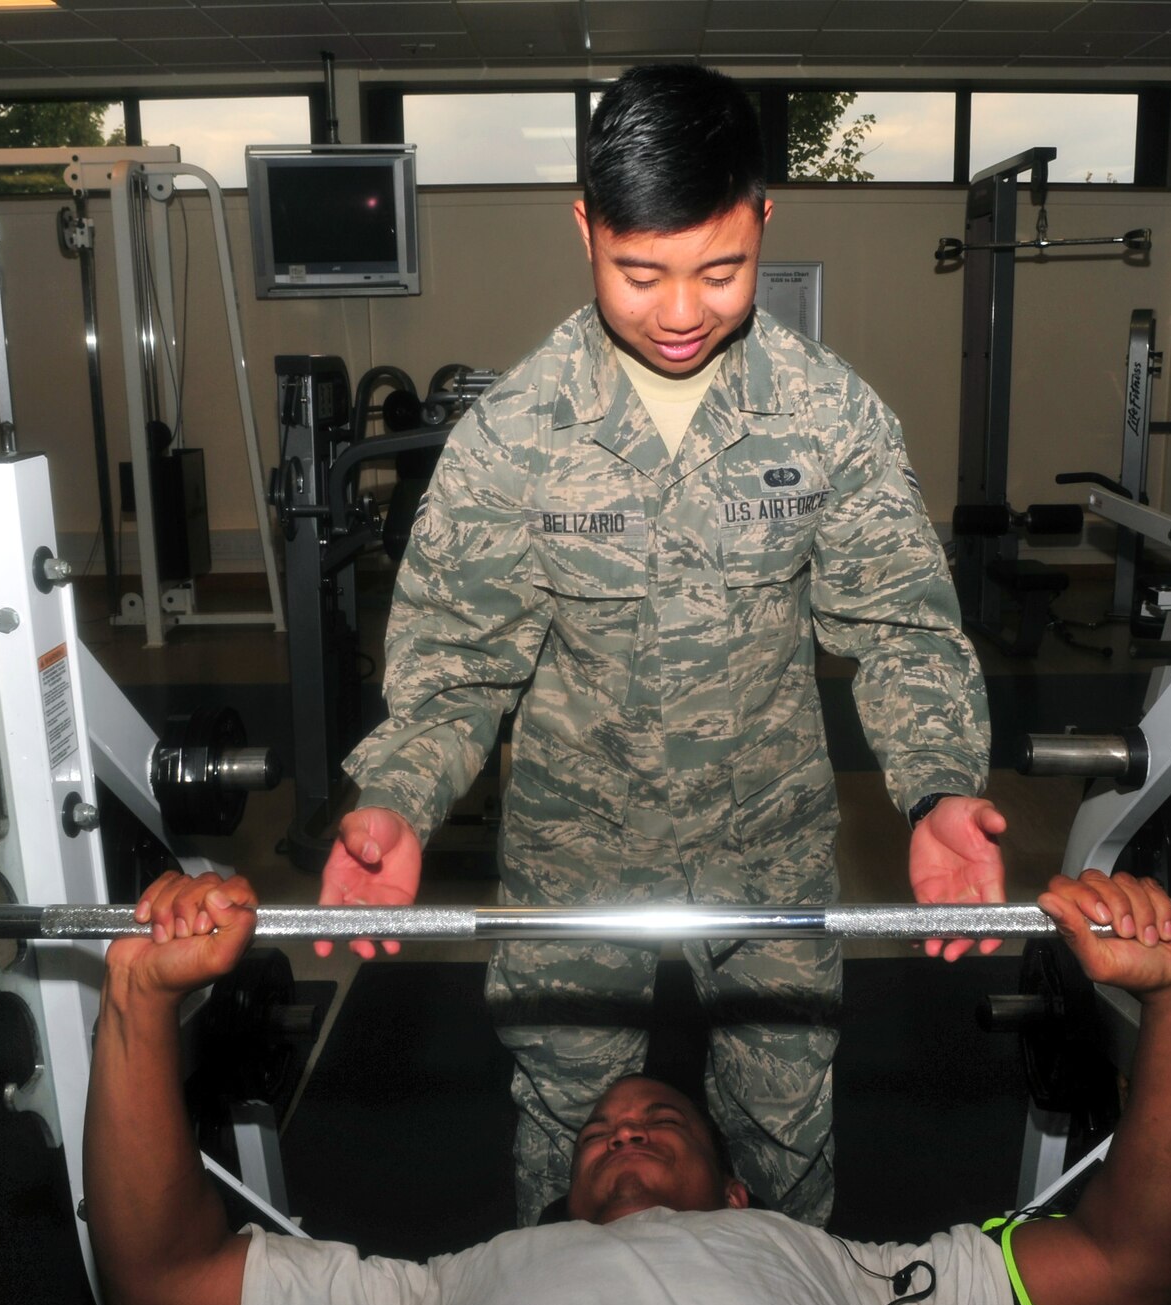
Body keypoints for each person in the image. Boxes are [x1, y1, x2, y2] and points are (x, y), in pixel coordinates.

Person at [320, 63, 1003, 1228]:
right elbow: (456, 661)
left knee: (784, 1122)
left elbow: (897, 625)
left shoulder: (827, 414)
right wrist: (395, 797)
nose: (680, 311)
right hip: (574, 843)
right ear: (583, 224)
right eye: (639, 273)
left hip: (768, 838)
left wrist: (937, 788)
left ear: (762, 219)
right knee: (569, 1122)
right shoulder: (512, 436)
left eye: (720, 269)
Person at [85, 868, 1171, 1305]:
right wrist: (136, 996)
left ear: (738, 1190)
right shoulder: (432, 1293)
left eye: (658, 1124)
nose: (620, 1127)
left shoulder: (862, 1279)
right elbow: (161, 1283)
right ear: (553, 1201)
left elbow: (1130, 1269)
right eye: (597, 1134)